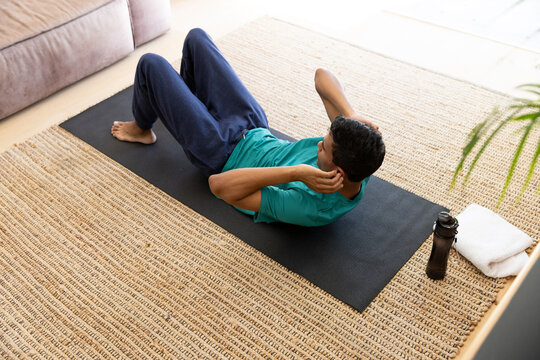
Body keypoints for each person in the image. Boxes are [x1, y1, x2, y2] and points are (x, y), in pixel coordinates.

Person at [111, 28, 385, 227]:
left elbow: (218, 186)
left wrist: (297, 173)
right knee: (197, 39)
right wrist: (350, 115)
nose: (317, 145)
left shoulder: (311, 205)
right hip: (254, 126)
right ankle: (187, 106)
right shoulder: (360, 159)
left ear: (339, 171)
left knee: (151, 64)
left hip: (220, 152)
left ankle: (141, 129)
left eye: (323, 148)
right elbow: (321, 77)